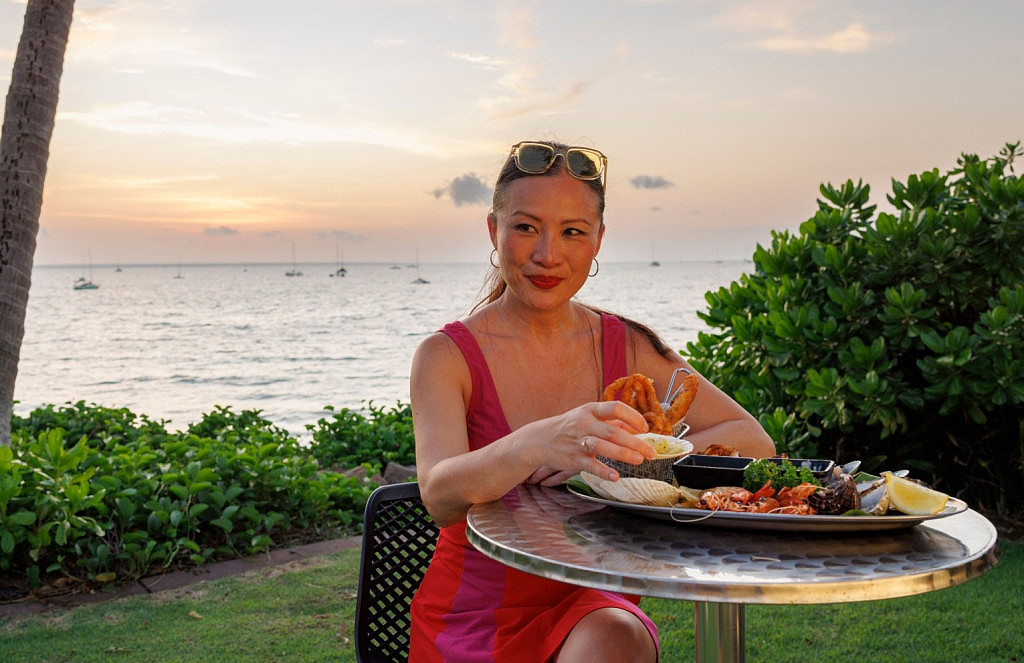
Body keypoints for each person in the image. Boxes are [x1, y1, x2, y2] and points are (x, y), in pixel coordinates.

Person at [408, 140, 775, 662]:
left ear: (598, 241)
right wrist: (536, 444)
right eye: (526, 227)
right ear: (494, 230)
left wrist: (626, 456)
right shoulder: (445, 356)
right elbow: (439, 496)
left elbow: (752, 440)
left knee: (612, 634)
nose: (547, 254)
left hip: (597, 603)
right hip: (474, 616)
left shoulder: (626, 345)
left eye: (572, 232)